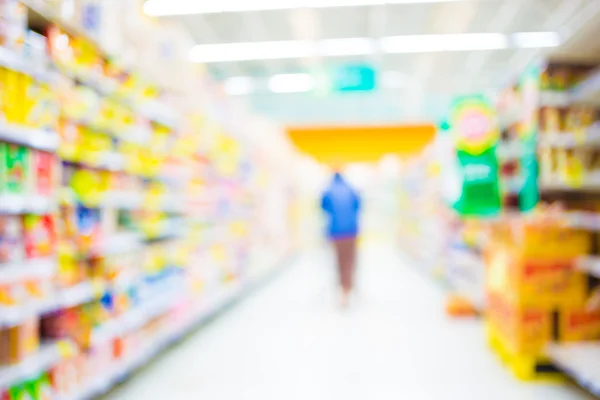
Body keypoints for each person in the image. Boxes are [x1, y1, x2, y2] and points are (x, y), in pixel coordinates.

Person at [321, 170, 361, 307]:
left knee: (339, 260)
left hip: (335, 232)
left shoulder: (328, 190)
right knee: (349, 260)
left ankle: (342, 290)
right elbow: (358, 206)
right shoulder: (351, 189)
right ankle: (348, 287)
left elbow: (323, 207)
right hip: (351, 231)